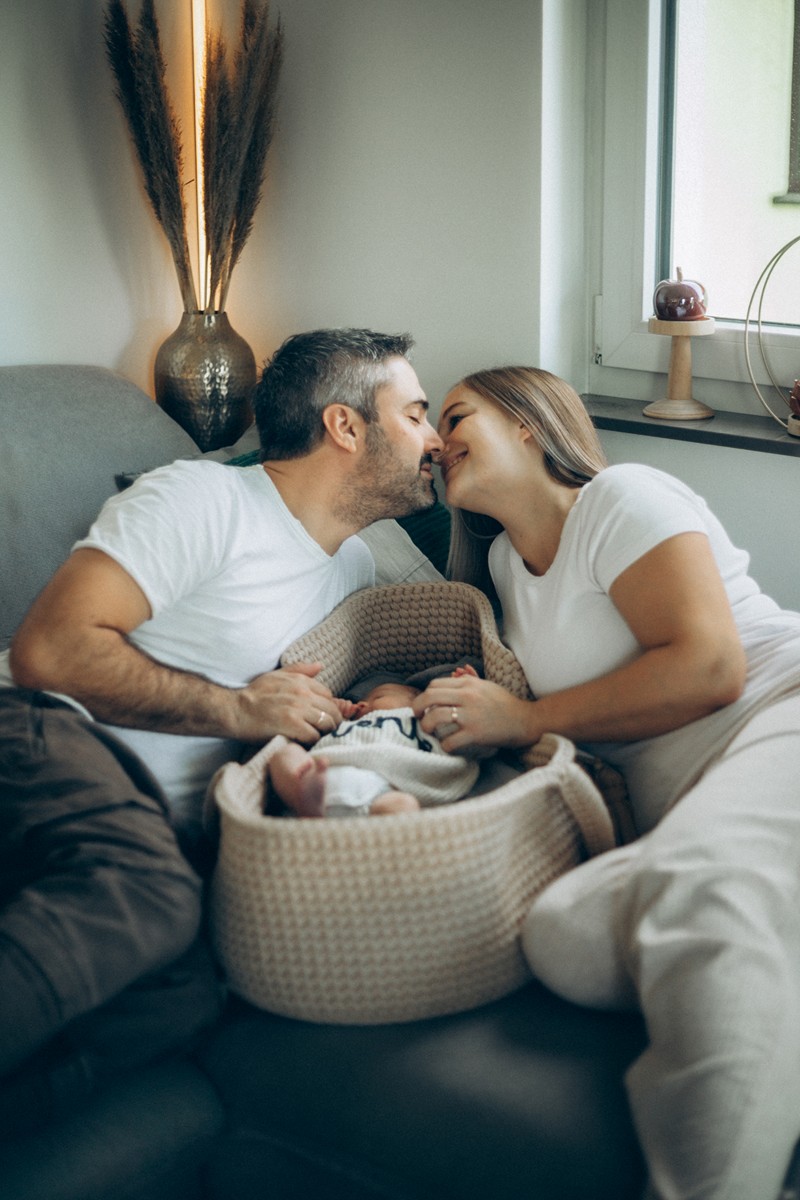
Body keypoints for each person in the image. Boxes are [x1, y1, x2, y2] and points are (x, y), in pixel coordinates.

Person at [0, 327, 443, 1136]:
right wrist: (235, 709)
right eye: (415, 415)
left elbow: (310, 710)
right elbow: (48, 651)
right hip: (43, 734)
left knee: (187, 997)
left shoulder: (357, 573)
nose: (435, 439)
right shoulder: (204, 500)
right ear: (346, 426)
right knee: (149, 895)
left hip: (141, 818)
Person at [411, 365, 800, 1200]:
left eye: (457, 416)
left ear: (527, 422)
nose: (439, 443)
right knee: (563, 935)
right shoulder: (503, 569)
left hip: (781, 712)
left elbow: (710, 667)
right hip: (700, 798)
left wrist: (525, 719)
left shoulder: (620, 498)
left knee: (706, 894)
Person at [268, 665, 480, 818]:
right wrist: (336, 709)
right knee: (286, 754)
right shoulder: (347, 724)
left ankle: (324, 813)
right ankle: (302, 796)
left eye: (378, 697)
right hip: (325, 772)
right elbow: (318, 722)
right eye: (364, 700)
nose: (363, 704)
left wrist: (461, 691)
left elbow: (462, 724)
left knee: (403, 805)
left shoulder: (426, 721)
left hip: (382, 791)